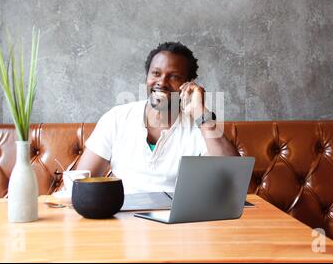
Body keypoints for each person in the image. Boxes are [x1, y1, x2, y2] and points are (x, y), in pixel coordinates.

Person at [77, 42, 238, 193]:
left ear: (188, 84)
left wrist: (200, 112)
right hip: (122, 217)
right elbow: (81, 182)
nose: (162, 82)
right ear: (147, 76)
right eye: (156, 73)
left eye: (174, 76)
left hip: (179, 220)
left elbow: (233, 178)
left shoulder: (199, 125)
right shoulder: (116, 118)